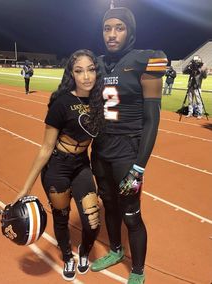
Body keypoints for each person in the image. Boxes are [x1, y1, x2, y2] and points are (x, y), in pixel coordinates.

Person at [90, 7, 167, 284]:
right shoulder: (96, 63)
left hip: (127, 153)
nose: (111, 34)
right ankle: (115, 250)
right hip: (99, 150)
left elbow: (152, 120)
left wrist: (138, 167)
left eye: (119, 28)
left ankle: (138, 270)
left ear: (129, 31)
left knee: (131, 214)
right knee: (108, 205)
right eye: (107, 28)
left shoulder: (146, 61)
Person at [14, 49, 104, 281]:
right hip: (58, 168)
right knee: (61, 217)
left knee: (92, 221)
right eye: (79, 71)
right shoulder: (62, 103)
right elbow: (45, 148)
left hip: (81, 166)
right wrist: (25, 188)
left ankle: (84, 251)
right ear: (71, 74)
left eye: (91, 69)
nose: (86, 76)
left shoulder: (99, 100)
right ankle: (67, 256)